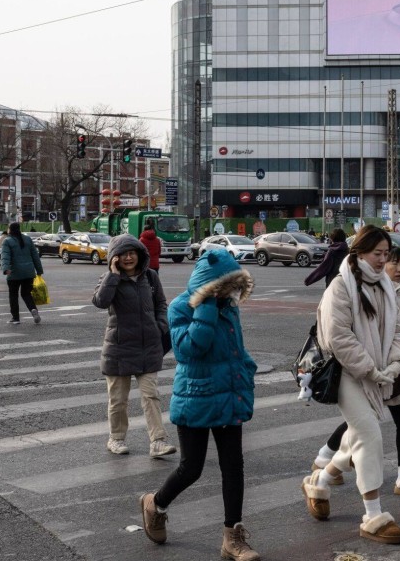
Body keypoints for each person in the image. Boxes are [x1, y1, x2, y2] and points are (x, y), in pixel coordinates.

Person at [139, 248, 261, 561]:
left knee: (233, 466)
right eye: (222, 284)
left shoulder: (230, 308)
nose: (229, 291)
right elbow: (190, 349)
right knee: (191, 468)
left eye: (233, 283)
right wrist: (204, 305)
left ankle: (232, 537)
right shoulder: (181, 307)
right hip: (195, 396)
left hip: (228, 396)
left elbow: (236, 350)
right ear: (208, 283)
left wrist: (246, 371)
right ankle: (156, 503)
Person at [301, 226, 400, 545]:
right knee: (369, 435)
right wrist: (371, 370)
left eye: (386, 254)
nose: (383, 260)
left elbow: (399, 332)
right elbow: (338, 338)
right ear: (359, 252)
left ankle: (318, 481)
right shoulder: (340, 286)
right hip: (346, 374)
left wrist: (395, 363)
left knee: (354, 439)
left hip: (377, 374)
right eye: (377, 253)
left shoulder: (388, 288)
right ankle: (373, 515)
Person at [309, 246, 400, 499]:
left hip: (395, 369)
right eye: (390, 261)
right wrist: (372, 368)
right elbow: (342, 334)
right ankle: (326, 467)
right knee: (363, 424)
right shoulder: (352, 288)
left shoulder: (398, 293)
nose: (397, 268)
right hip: (367, 369)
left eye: (399, 263)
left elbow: (398, 329)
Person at [93, 234, 176, 458]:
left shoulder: (150, 277)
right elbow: (100, 302)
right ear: (114, 258)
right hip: (118, 348)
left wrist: (160, 326)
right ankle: (116, 438)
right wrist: (113, 275)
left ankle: (157, 441)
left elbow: (161, 304)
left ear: (140, 255)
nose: (129, 258)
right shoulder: (109, 277)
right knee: (118, 400)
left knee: (151, 395)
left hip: (148, 345)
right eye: (123, 254)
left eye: (132, 253)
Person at [0, 222, 44, 325]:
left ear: (10, 229)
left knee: (13, 295)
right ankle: (33, 309)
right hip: (29, 272)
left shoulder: (7, 241)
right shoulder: (27, 239)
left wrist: (6, 269)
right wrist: (39, 270)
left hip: (14, 273)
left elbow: (5, 256)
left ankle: (15, 318)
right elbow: (35, 255)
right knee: (26, 294)